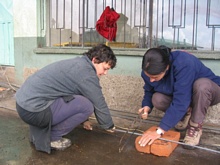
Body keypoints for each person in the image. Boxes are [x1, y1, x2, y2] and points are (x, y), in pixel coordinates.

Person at [15, 44, 117, 153]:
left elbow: (76, 94)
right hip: (34, 112)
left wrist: (84, 120)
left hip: (23, 106)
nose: (105, 73)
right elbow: (98, 102)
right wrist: (109, 125)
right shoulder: (87, 74)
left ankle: (39, 134)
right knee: (87, 106)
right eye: (105, 68)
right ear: (95, 60)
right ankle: (52, 138)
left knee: (79, 101)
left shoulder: (79, 64)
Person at [137, 45, 220, 149]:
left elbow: (181, 101)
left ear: (166, 67)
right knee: (157, 98)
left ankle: (195, 127)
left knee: (201, 85)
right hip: (186, 96)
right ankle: (185, 115)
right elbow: (149, 90)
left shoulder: (184, 63)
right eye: (149, 77)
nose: (151, 80)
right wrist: (146, 106)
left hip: (210, 92)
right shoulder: (148, 72)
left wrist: (160, 131)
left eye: (155, 77)